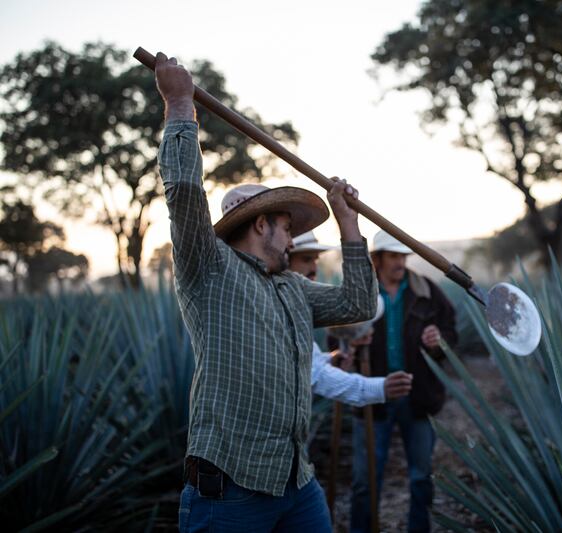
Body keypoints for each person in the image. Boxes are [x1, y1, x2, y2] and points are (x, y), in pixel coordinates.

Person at [154, 52, 375, 533]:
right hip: (232, 491)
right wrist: (178, 106)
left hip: (297, 484)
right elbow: (186, 197)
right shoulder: (209, 268)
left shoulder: (293, 287)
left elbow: (358, 304)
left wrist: (350, 223)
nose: (294, 239)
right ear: (261, 224)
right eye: (287, 226)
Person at [350, 231, 458, 533]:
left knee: (421, 477)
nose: (400, 262)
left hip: (418, 395)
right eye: (393, 256)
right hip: (372, 394)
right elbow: (336, 334)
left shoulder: (427, 291)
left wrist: (438, 341)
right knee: (365, 481)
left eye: (403, 256)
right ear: (378, 258)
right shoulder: (360, 292)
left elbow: (452, 331)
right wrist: (352, 343)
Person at [288, 231, 413, 406]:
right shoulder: (280, 308)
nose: (314, 269)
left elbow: (311, 366)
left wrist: (330, 360)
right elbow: (315, 374)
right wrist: (378, 387)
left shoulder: (422, 290)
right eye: (307, 260)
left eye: (316, 260)